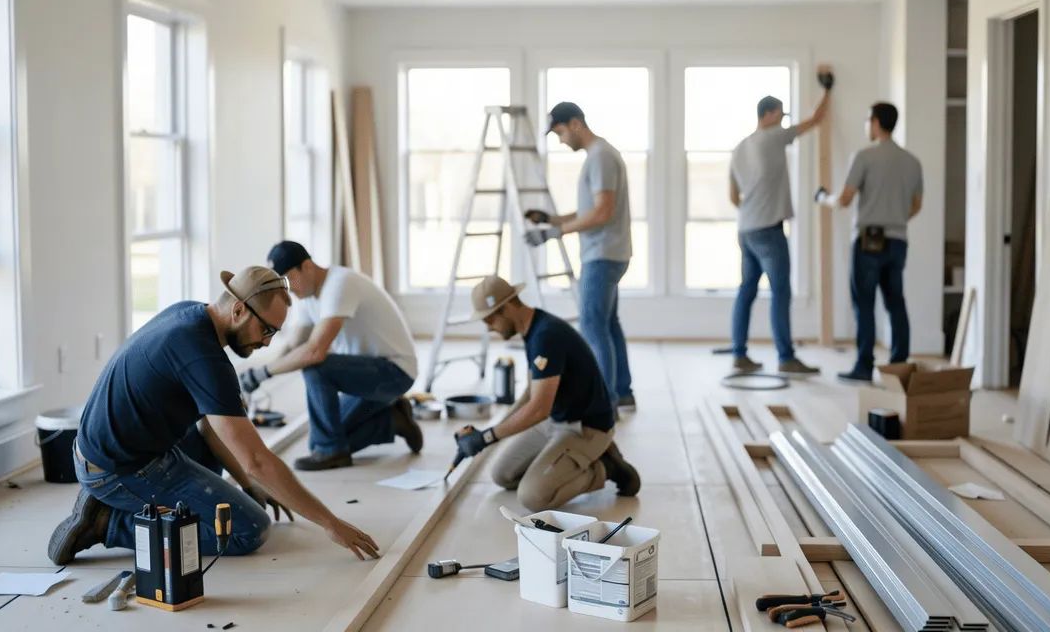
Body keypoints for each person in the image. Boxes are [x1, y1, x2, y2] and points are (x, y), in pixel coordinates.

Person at [48, 267, 380, 566]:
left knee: (226, 480)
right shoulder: (204, 360)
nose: (267, 342)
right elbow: (257, 461)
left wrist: (249, 487)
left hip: (110, 448)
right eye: (266, 330)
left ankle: (140, 507)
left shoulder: (190, 315)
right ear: (238, 310)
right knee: (248, 530)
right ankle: (109, 523)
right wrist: (329, 522)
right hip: (117, 469)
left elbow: (212, 430)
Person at [452, 275, 640, 513]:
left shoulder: (546, 336)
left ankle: (605, 466)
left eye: (489, 319)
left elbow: (539, 408)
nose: (488, 327)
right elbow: (531, 392)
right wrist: (489, 432)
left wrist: (488, 437)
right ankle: (566, 461)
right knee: (503, 475)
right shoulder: (534, 328)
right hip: (555, 420)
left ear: (507, 307)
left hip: (586, 428)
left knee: (533, 497)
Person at [238, 241, 422, 471]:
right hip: (368, 376)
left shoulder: (340, 284)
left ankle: (333, 452)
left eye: (288, 279)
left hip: (395, 372)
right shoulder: (308, 297)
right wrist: (256, 374)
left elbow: (314, 351)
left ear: (307, 266)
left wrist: (262, 373)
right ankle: (394, 421)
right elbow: (295, 344)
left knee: (317, 367)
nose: (289, 290)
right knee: (320, 440)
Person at [524, 101, 634, 410]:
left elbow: (602, 212)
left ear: (575, 124)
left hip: (602, 255)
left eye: (559, 132)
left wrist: (554, 234)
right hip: (610, 252)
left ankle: (606, 401)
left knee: (592, 326)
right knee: (608, 324)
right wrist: (552, 219)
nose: (560, 140)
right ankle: (622, 392)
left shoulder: (600, 157)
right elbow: (593, 209)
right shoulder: (602, 155)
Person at [728, 70, 834, 375]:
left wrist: (753, 206)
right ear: (771, 114)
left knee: (746, 290)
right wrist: (828, 89)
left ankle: (739, 353)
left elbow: (733, 195)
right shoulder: (775, 136)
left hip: (745, 228)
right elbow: (814, 120)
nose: (783, 119)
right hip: (768, 230)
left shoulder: (739, 148)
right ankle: (786, 358)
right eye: (780, 114)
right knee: (780, 292)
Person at [816, 101, 923, 381]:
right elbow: (916, 205)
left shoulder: (863, 157)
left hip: (868, 241)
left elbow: (844, 199)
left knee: (864, 304)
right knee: (895, 302)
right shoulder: (912, 162)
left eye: (867, 120)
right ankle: (899, 367)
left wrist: (822, 198)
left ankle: (864, 367)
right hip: (898, 240)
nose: (867, 125)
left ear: (876, 122)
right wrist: (895, 218)